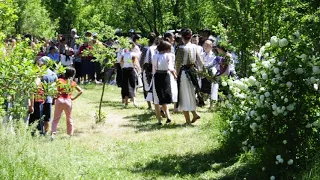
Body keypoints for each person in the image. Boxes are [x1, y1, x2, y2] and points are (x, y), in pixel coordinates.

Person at [175, 28, 203, 125]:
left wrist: (176, 74)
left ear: (182, 37)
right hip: (193, 71)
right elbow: (200, 61)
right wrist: (202, 71)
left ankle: (188, 121)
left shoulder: (181, 48)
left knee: (183, 95)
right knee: (191, 93)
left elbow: (178, 63)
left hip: (184, 73)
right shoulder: (195, 47)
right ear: (191, 37)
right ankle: (195, 114)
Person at [51, 67, 83, 140]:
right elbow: (81, 91)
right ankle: (70, 134)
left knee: (56, 118)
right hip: (68, 100)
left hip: (59, 100)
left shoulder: (60, 80)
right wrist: (73, 98)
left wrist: (55, 95)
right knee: (69, 118)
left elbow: (52, 87)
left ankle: (53, 133)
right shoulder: (72, 83)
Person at [152, 41, 176, 125]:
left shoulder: (155, 56)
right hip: (166, 75)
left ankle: (159, 120)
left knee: (157, 98)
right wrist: (175, 75)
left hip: (157, 75)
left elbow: (153, 69)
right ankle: (168, 116)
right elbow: (170, 67)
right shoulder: (168, 56)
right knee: (165, 96)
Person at [120, 42, 140, 108]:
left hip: (124, 70)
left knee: (125, 85)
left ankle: (125, 101)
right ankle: (133, 101)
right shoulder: (133, 54)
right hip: (131, 70)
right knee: (132, 85)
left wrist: (124, 64)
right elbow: (133, 63)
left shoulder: (123, 54)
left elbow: (121, 62)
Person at [141, 32, 157, 110]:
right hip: (155, 67)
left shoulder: (145, 48)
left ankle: (150, 105)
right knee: (153, 85)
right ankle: (154, 104)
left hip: (147, 68)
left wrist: (141, 68)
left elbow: (142, 60)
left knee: (147, 86)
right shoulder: (157, 48)